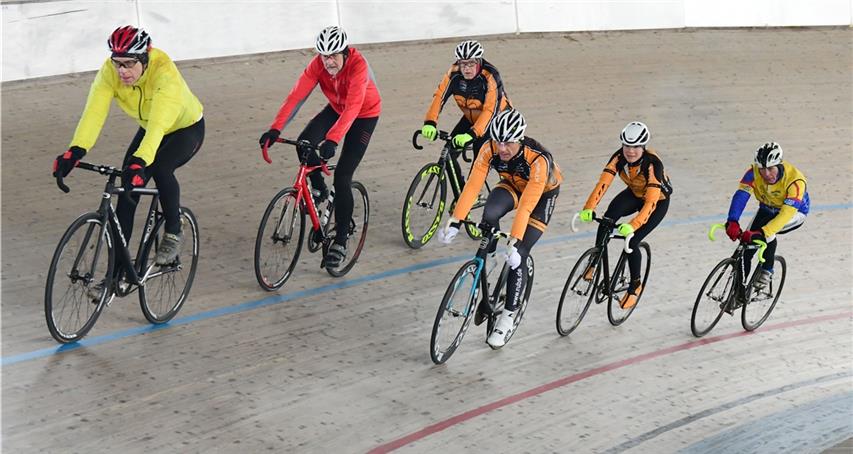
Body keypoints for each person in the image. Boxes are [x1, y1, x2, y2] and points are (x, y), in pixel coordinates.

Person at [53, 25, 205, 272]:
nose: (122, 71)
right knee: (126, 191)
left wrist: (140, 162)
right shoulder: (109, 73)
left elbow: (158, 125)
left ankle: (174, 232)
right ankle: (119, 272)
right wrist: (75, 151)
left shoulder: (164, 73)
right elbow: (93, 113)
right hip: (149, 127)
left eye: (129, 63)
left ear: (145, 60)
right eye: (117, 63)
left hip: (185, 129)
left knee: (161, 168)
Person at [259, 26, 381, 269]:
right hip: (337, 109)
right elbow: (296, 97)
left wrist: (333, 139)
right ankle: (318, 188)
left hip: (364, 114)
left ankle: (341, 240)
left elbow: (354, 106)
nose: (329, 62)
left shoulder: (358, 66)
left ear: (345, 53)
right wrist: (275, 129)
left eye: (334, 55)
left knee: (343, 176)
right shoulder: (317, 65)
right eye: (324, 56)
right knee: (304, 144)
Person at [439, 109, 562, 348]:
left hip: (540, 196)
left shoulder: (538, 159)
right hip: (512, 184)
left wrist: (515, 241)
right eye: (497, 141)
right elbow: (473, 186)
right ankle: (491, 255)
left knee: (519, 255)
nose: (502, 148)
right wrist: (455, 219)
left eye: (507, 143)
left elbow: (527, 205)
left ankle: (507, 318)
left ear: (519, 139)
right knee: (490, 214)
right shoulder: (489, 149)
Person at [577, 121, 672, 310]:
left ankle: (635, 286)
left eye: (636, 146)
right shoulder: (618, 157)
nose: (631, 151)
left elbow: (651, 201)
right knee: (607, 219)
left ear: (643, 147)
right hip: (635, 194)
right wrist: (589, 207)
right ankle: (594, 261)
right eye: (627, 145)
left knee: (632, 241)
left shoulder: (653, 165)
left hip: (657, 202)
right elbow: (603, 183)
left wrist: (634, 225)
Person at [420, 40, 512, 189]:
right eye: (463, 64)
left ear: (479, 61)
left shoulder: (490, 76)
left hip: (495, 119)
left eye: (471, 64)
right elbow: (439, 97)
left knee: (479, 155)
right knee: (449, 153)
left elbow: (490, 110)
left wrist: (473, 134)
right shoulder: (454, 72)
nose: (467, 68)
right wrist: (430, 122)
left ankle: (473, 194)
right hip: (471, 117)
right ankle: (462, 191)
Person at [723, 142, 808, 293]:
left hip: (794, 213)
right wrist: (732, 220)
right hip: (767, 208)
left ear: (779, 164)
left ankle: (767, 270)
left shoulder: (795, 181)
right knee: (744, 247)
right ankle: (738, 293)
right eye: (762, 169)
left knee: (768, 234)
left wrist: (763, 232)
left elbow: (786, 214)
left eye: (770, 168)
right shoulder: (753, 173)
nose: (767, 174)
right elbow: (741, 196)